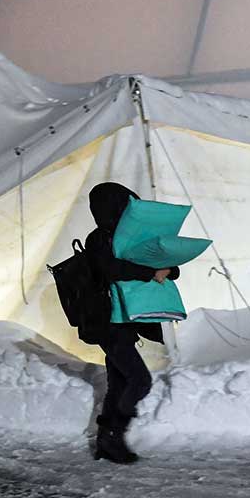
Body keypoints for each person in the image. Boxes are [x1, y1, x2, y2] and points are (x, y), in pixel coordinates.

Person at [83, 182, 179, 464]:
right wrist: (151, 272)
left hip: (125, 320)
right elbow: (111, 269)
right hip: (107, 322)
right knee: (140, 380)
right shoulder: (99, 239)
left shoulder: (134, 238)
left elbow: (170, 268)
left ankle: (107, 440)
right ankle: (113, 434)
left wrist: (167, 268)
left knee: (119, 383)